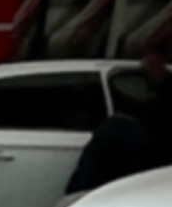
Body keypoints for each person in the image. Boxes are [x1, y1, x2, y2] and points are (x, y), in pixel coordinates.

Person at [66, 44, 172, 193]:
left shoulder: (161, 94)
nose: (147, 66)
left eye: (151, 62)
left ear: (161, 63)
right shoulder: (143, 86)